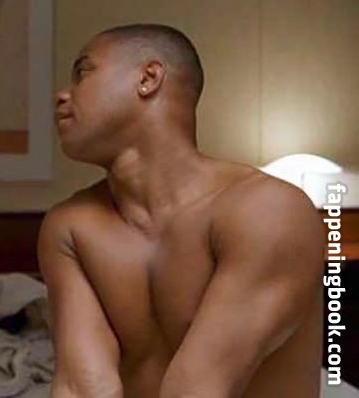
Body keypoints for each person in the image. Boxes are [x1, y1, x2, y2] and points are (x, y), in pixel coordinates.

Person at [39, 24, 323, 397]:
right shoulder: (71, 227)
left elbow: (198, 389)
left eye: (83, 73)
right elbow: (82, 388)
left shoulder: (267, 210)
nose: (61, 95)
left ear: (148, 78)